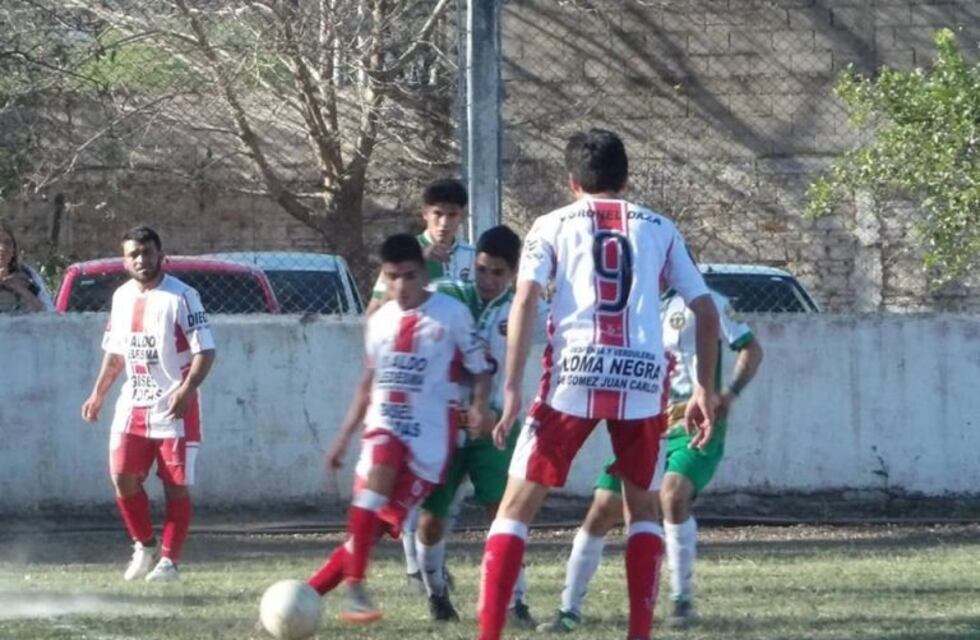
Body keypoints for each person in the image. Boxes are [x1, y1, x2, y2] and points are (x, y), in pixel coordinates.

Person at [476, 128, 721, 640]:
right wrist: (703, 388)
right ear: (626, 179)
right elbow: (703, 307)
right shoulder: (660, 227)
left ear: (572, 182)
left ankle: (489, 634)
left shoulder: (550, 224)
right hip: (641, 377)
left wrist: (515, 387)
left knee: (517, 507)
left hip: (573, 373)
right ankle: (638, 633)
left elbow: (523, 301)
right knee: (643, 508)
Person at [538, 289, 764, 633]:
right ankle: (568, 609)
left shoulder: (706, 303)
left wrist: (728, 394)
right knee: (602, 509)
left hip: (694, 426)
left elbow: (751, 348)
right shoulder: (625, 306)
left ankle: (681, 599)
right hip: (643, 425)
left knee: (672, 494)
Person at [306, 233, 491, 623]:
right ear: (384, 279)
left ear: (423, 274)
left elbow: (479, 369)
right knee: (373, 487)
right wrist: (342, 437)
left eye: (409, 276)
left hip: (430, 440)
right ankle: (355, 586)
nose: (402, 286)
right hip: (385, 423)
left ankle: (309, 594)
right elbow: (367, 381)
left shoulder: (451, 314)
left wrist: (478, 406)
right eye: (393, 277)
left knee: (372, 532)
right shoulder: (380, 321)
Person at [413, 225, 536, 626]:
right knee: (431, 521)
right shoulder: (449, 296)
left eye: (498, 273)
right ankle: (436, 594)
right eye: (482, 270)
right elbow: (398, 300)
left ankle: (515, 601)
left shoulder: (523, 306)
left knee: (504, 512)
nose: (488, 280)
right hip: (444, 427)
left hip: (495, 426)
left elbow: (565, 331)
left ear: (513, 273)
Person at [81, 226, 216, 582]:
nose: (141, 260)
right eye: (134, 254)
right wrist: (98, 394)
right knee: (122, 477)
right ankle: (145, 545)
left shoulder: (183, 296)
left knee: (175, 485)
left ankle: (169, 562)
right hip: (133, 405)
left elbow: (206, 350)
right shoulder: (122, 297)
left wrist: (186, 391)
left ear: (161, 255)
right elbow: (116, 352)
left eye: (147, 252)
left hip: (174, 407)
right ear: (125, 260)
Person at [366, 178, 476, 316]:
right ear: (425, 213)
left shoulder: (474, 257)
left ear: (463, 216)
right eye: (438, 213)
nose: (444, 222)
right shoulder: (402, 252)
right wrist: (417, 261)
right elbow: (375, 310)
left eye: (452, 215)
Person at [0, 222, 50, 313]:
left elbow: (47, 311)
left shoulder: (28, 275)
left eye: (7, 243)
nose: (2, 248)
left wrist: (18, 288)